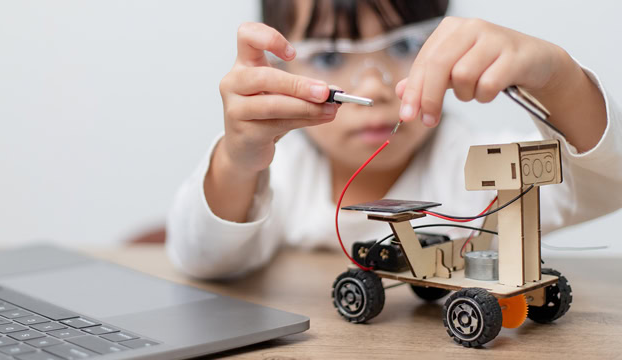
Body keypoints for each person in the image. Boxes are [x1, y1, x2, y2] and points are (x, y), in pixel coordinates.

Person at [166, 0, 621, 279]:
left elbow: (608, 180)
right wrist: (237, 160)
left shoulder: (477, 167)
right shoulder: (283, 171)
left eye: (403, 47)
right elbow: (202, 258)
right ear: (279, 69)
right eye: (328, 55)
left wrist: (560, 80)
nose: (377, 88)